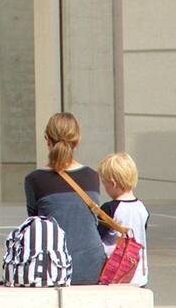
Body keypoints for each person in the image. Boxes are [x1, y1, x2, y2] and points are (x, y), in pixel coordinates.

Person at [23, 113, 108, 285]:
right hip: (93, 265)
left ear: (47, 140)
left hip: (53, 268)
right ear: (77, 141)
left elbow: (34, 224)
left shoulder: (34, 179)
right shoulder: (92, 176)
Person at [97, 152, 151, 287]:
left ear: (113, 183)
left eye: (104, 183)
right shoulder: (142, 208)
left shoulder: (110, 208)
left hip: (114, 272)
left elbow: (97, 237)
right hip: (138, 273)